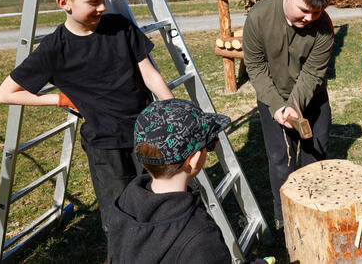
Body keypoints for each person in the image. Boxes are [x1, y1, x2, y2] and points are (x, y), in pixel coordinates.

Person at [0, 0, 173, 238]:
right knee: (120, 216)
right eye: (93, 2)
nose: (103, 6)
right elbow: (5, 93)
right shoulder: (54, 49)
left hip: (148, 134)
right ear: (64, 3)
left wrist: (172, 109)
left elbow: (150, 75)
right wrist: (58, 99)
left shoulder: (120, 27)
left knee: (160, 203)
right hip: (105, 145)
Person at [108, 99, 276, 264]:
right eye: (209, 145)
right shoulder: (200, 238)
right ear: (194, 159)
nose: (211, 148)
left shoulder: (122, 206)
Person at [243, 0, 334, 229]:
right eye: (304, 11)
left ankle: (313, 208)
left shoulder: (324, 27)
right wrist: (276, 106)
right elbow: (256, 67)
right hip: (272, 97)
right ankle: (284, 216)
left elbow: (312, 73)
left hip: (313, 98)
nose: (309, 19)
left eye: (316, 13)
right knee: (280, 160)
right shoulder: (258, 17)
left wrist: (294, 105)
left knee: (314, 156)